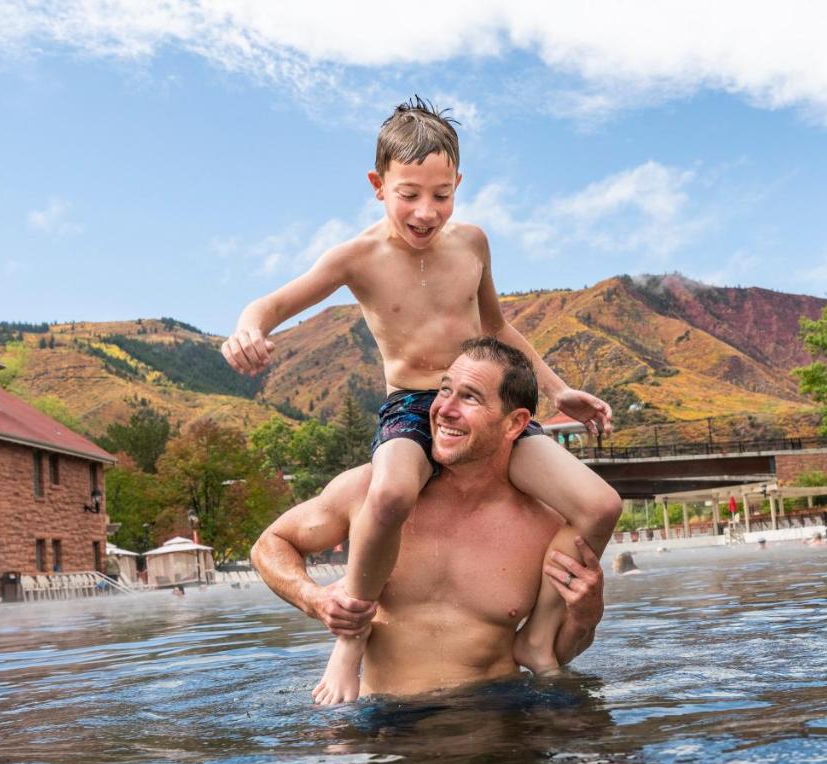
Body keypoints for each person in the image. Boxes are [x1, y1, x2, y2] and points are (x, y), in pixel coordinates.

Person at [224, 98, 622, 704]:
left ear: (459, 185)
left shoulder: (473, 244)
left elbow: (500, 332)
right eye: (409, 194)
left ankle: (538, 642)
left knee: (600, 504)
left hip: (485, 400)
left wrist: (558, 388)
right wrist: (248, 329)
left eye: (441, 194)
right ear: (377, 185)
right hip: (414, 405)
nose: (425, 211)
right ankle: (350, 641)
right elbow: (270, 306)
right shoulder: (356, 257)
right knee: (389, 494)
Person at [251, 339, 609, 701]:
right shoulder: (371, 496)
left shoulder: (544, 527)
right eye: (445, 390)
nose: (443, 410)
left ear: (514, 423)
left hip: (499, 716)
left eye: (469, 398)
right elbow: (271, 544)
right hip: (387, 724)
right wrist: (313, 599)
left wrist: (586, 616)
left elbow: (552, 653)